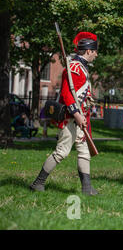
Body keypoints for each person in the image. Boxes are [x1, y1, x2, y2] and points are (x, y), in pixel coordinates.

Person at [30, 31, 99, 195]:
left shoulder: (80, 67)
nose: (96, 55)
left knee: (84, 151)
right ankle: (38, 182)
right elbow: (68, 95)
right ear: (88, 51)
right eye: (95, 51)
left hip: (80, 118)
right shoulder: (74, 67)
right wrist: (77, 115)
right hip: (71, 118)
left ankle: (87, 188)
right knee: (62, 152)